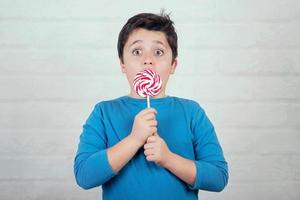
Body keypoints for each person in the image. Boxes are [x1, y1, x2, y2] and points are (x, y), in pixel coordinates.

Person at [74, 11, 228, 200]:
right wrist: (134, 139)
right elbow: (84, 175)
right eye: (137, 52)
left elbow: (218, 178)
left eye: (158, 52)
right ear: (122, 64)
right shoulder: (104, 113)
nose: (148, 60)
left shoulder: (192, 112)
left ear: (173, 65)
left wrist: (168, 158)